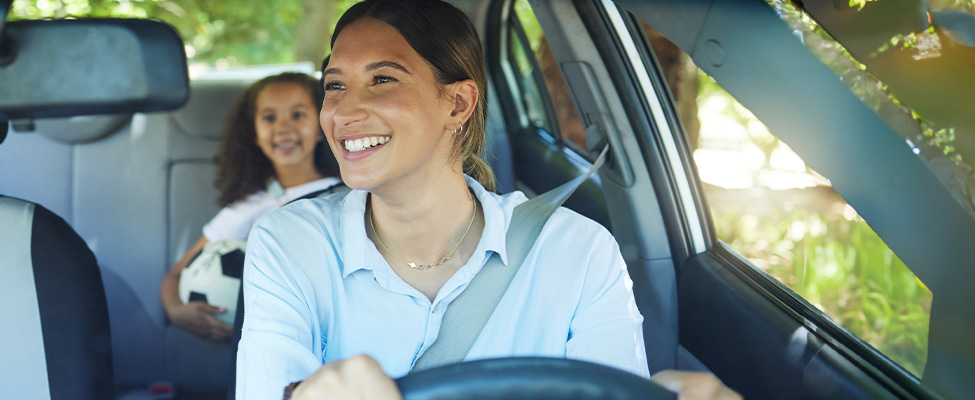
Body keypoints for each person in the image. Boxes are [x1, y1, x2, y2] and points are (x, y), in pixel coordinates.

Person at [235, 1, 742, 399]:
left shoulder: (579, 252)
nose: (342, 111)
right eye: (335, 85)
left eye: (382, 79)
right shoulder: (288, 241)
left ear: (457, 103)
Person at [161, 72, 342, 342]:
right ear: (254, 134)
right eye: (269, 118)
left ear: (321, 126)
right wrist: (177, 312)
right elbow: (176, 274)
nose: (283, 128)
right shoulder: (249, 207)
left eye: (298, 115)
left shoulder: (350, 191)